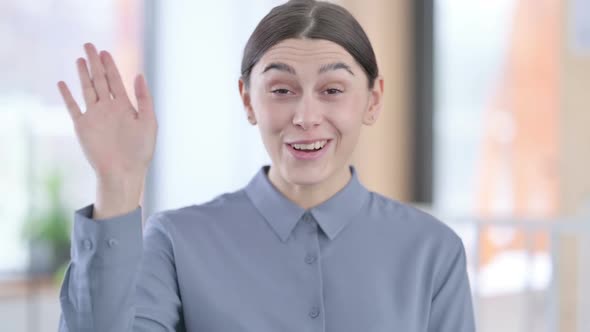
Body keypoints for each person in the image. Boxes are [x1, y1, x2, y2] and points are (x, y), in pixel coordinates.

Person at [56, 0, 476, 331]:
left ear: (373, 99)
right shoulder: (177, 242)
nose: (306, 116)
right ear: (247, 100)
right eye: (281, 89)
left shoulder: (432, 251)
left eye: (332, 89)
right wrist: (118, 182)